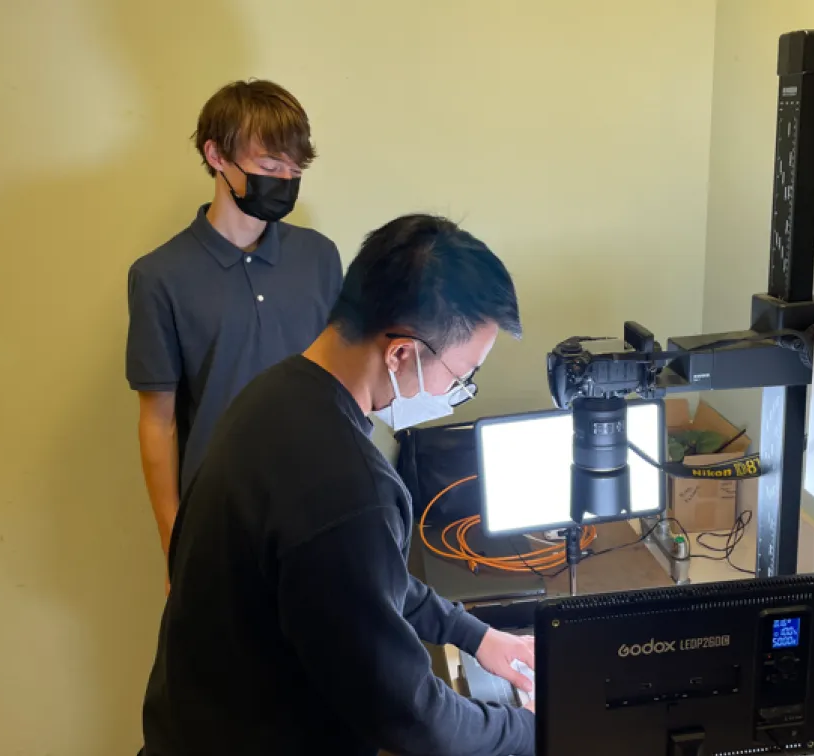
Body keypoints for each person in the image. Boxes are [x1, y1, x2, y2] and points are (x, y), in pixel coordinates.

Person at [140, 214, 535, 756]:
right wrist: (538, 728)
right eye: (462, 375)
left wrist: (477, 636)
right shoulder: (347, 488)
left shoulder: (276, 394)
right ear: (400, 353)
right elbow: (413, 719)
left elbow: (366, 579)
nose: (459, 391)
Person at [125, 80, 342, 568]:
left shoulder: (319, 257)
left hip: (325, 507)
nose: (284, 180)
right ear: (217, 155)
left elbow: (345, 383)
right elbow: (156, 422)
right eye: (269, 167)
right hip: (222, 522)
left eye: (294, 169)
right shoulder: (160, 277)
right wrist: (175, 548)